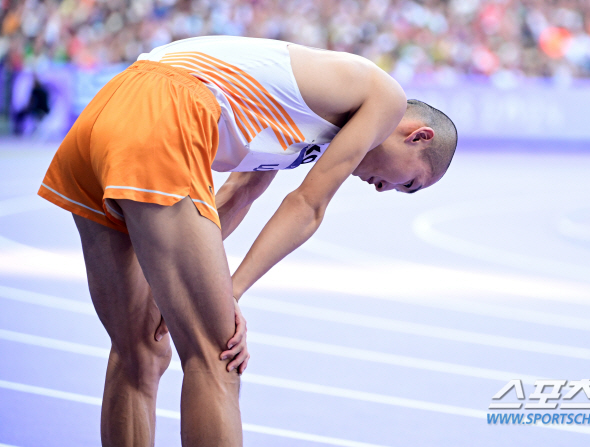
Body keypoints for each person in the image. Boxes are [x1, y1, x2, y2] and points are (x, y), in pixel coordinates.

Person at [37, 35, 457, 447]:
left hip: (106, 114)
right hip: (163, 110)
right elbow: (308, 205)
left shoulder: (303, 113)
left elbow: (239, 194)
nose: (387, 191)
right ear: (419, 137)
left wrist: (203, 286)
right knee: (218, 355)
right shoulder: (386, 97)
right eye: (411, 184)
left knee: (140, 351)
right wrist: (229, 292)